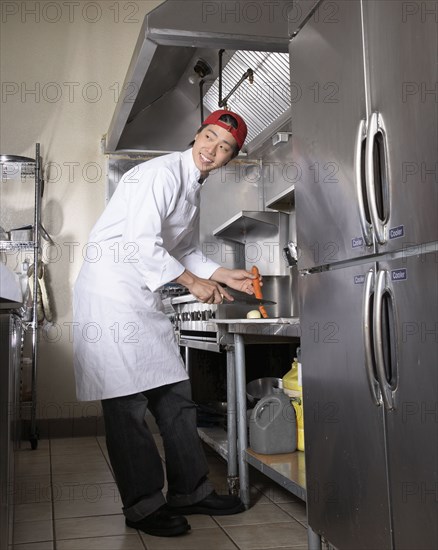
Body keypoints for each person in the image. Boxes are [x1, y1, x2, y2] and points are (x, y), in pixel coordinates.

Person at [72, 110, 259, 537]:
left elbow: (186, 248)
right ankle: (142, 505)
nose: (212, 150)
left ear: (230, 159)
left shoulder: (191, 188)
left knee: (175, 396)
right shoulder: (159, 174)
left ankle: (190, 491)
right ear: (196, 134)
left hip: (141, 297)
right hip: (112, 298)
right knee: (127, 405)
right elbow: (142, 243)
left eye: (224, 148)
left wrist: (220, 273)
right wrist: (192, 283)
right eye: (209, 137)